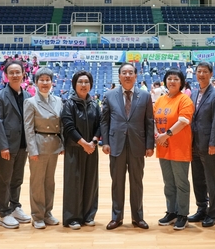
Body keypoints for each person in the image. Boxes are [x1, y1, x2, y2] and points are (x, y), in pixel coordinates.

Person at [101, 63, 155, 230]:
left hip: (137, 145)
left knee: (136, 182)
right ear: (119, 76)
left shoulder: (145, 96)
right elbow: (105, 121)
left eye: (130, 73)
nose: (127, 75)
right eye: (124, 72)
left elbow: (149, 122)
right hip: (116, 144)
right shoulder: (109, 95)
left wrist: (149, 145)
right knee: (117, 182)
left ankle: (138, 217)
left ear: (136, 76)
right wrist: (106, 142)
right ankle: (116, 217)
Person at [0, 61, 32, 230]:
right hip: (8, 145)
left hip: (23, 144)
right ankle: (4, 212)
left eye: (18, 72)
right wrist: (3, 146)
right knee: (5, 179)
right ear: (6, 75)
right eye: (11, 72)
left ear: (23, 74)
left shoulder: (28, 96)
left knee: (17, 179)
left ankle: (15, 206)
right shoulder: (0, 96)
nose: (15, 75)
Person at [154, 69, 195, 230]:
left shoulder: (185, 100)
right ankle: (171, 211)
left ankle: (183, 215)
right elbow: (154, 120)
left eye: (175, 79)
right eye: (169, 78)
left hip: (179, 148)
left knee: (181, 183)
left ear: (181, 82)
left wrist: (167, 134)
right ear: (165, 81)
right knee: (168, 183)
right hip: (163, 147)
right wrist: (158, 135)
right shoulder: (160, 100)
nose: (172, 81)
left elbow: (184, 121)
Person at [24, 67, 64, 229]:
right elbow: (28, 127)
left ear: (52, 82)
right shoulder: (30, 102)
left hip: (53, 145)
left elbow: (61, 125)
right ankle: (37, 215)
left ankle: (48, 213)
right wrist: (32, 149)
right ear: (36, 83)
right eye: (42, 80)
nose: (45, 83)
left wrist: (61, 144)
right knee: (37, 182)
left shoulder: (58, 100)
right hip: (38, 145)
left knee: (49, 182)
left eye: (48, 80)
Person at [61, 70, 101, 230]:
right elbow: (69, 127)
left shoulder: (94, 105)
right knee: (73, 183)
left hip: (91, 149)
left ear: (90, 85)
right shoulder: (69, 104)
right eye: (80, 82)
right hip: (74, 149)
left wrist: (94, 141)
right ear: (74, 85)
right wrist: (84, 143)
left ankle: (89, 215)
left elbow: (100, 125)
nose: (83, 85)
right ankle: (73, 217)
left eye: (86, 82)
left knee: (91, 182)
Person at [188, 62, 215, 227]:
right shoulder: (194, 93)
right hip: (194, 143)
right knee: (197, 179)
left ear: (210, 74)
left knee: (211, 179)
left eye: (204, 72)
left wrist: (214, 143)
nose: (201, 74)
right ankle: (201, 208)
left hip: (208, 144)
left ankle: (213, 212)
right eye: (199, 71)